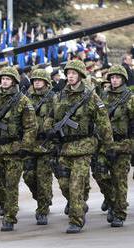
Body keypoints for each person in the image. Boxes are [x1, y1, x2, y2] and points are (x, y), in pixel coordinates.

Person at [45, 60, 113, 233]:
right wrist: (49, 129)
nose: (70, 76)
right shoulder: (58, 96)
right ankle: (79, 205)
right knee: (64, 184)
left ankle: (76, 220)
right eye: (68, 73)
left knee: (76, 186)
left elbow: (103, 122)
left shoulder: (91, 97)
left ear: (81, 75)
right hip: (64, 147)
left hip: (84, 147)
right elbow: (50, 117)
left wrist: (108, 146)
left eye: (74, 73)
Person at [0, 66, 38, 231]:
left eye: (7, 79)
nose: (4, 81)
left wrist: (26, 146)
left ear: (14, 81)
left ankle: (10, 217)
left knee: (11, 185)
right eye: (2, 78)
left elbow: (31, 127)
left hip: (14, 149)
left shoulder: (23, 101)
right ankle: (5, 204)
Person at [94, 65, 134, 228]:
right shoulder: (103, 96)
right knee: (100, 174)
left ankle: (119, 213)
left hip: (123, 144)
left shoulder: (130, 98)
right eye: (112, 77)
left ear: (123, 79)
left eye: (117, 77)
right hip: (105, 144)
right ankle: (113, 203)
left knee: (119, 180)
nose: (114, 80)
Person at [23, 69, 54, 225]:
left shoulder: (53, 98)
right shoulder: (25, 98)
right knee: (28, 176)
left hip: (45, 145)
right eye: (34, 80)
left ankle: (42, 209)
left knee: (43, 179)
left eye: (40, 80)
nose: (36, 82)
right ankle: (44, 198)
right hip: (29, 144)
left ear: (46, 82)